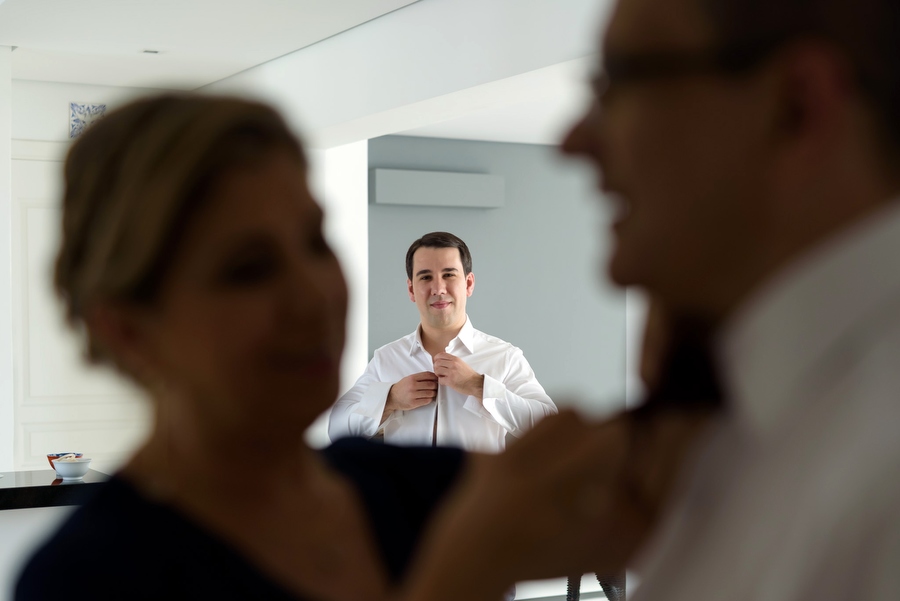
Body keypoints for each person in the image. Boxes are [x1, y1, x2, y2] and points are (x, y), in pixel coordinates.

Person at [14, 93, 624, 601]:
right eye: (248, 268)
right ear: (127, 327)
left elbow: (634, 501)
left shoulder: (399, 486)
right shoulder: (88, 576)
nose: (313, 294)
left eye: (314, 241)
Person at [561, 0, 900, 599]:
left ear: (796, 107)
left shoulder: (880, 476)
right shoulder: (742, 431)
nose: (572, 142)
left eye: (623, 80)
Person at [328, 232, 557, 452]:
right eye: (426, 277)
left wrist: (479, 386)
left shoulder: (504, 357)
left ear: (468, 284)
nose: (438, 288)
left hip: (479, 493)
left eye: (449, 275)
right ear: (411, 289)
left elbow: (550, 430)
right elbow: (336, 428)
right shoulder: (386, 358)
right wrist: (390, 399)